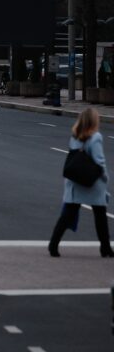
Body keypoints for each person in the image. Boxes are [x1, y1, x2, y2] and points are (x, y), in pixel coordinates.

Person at [48, 107, 113, 257]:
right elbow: (99, 160)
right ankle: (105, 248)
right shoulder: (96, 137)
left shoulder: (75, 135)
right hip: (92, 182)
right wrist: (105, 178)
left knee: (67, 215)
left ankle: (53, 244)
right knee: (100, 216)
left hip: (75, 181)